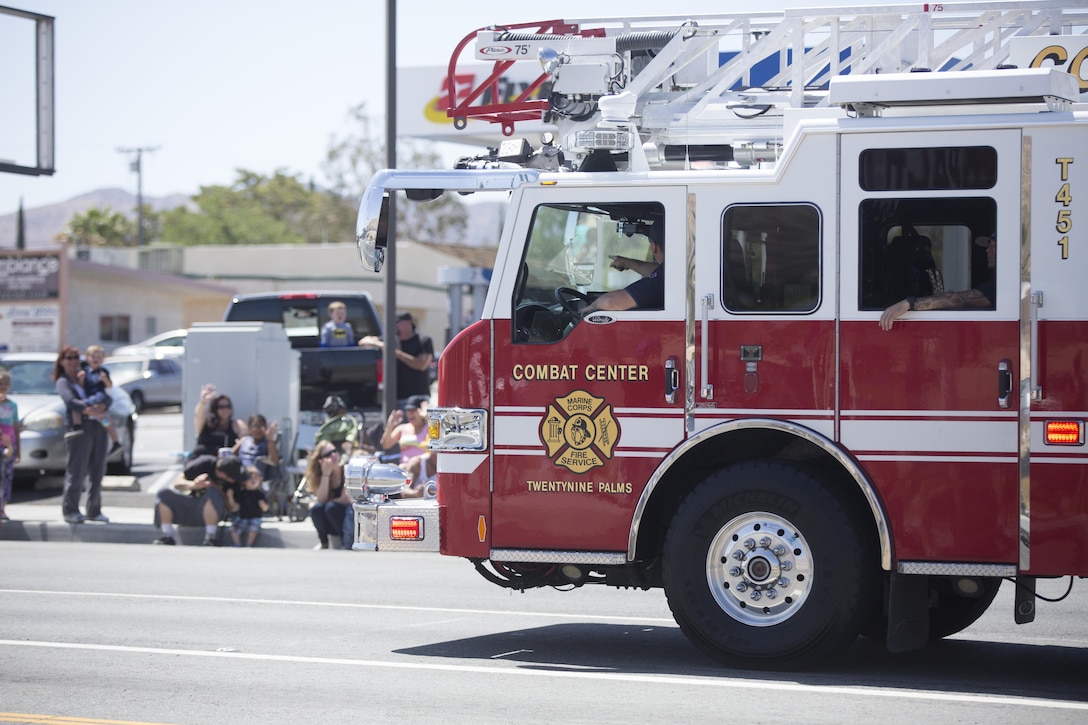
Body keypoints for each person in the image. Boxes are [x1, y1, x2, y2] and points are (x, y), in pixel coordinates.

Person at [879, 233, 996, 330]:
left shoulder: (999, 288)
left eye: (995, 246)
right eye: (989, 245)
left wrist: (908, 303)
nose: (988, 250)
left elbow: (962, 299)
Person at [54, 346, 111, 525]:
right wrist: (90, 411)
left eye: (75, 358)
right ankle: (70, 510)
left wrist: (102, 406)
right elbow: (71, 402)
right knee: (76, 472)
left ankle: (94, 510)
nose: (72, 361)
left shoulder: (86, 376)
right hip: (79, 430)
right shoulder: (63, 381)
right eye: (68, 358)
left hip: (99, 427)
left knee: (97, 471)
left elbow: (107, 396)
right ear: (62, 362)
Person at [153, 454, 248, 546]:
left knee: (213, 492)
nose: (236, 480)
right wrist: (194, 485)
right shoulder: (205, 462)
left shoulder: (234, 483)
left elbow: (232, 508)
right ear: (223, 474)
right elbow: (177, 483)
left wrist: (216, 489)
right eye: (234, 477)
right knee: (164, 493)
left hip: (213, 512)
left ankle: (211, 537)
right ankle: (167, 535)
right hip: (188, 506)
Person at [582, 224, 665, 313]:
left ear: (654, 247)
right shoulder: (671, 271)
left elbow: (610, 302)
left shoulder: (665, 277)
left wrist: (591, 308)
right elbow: (656, 270)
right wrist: (628, 263)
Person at [359, 311, 434, 405]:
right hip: (395, 398)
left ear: (409, 322)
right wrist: (382, 345)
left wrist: (394, 352)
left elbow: (421, 365)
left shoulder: (423, 340)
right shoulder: (391, 340)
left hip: (417, 397)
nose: (394, 325)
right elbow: (363, 341)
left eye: (397, 322)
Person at [379, 394, 435, 496]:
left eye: (414, 410)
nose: (410, 414)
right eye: (408, 410)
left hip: (424, 469)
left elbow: (436, 439)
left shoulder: (429, 427)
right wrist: (390, 426)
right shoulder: (402, 428)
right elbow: (386, 445)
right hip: (405, 470)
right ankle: (412, 494)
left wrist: (427, 417)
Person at [304, 440, 354, 550]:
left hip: (344, 515)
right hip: (331, 517)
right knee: (316, 508)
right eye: (328, 454)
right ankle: (324, 542)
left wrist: (328, 501)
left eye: (334, 451)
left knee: (331, 507)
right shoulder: (320, 476)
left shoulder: (346, 470)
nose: (333, 455)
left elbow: (345, 498)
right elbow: (321, 500)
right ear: (321, 460)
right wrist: (326, 474)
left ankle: (344, 540)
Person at [73, 345, 122, 454]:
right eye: (93, 356)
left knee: (101, 415)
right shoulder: (85, 371)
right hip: (90, 397)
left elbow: (109, 386)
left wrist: (104, 379)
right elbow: (82, 387)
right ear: (87, 358)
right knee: (79, 407)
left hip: (99, 396)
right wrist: (81, 379)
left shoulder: (102, 371)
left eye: (98, 357)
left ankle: (115, 440)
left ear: (103, 359)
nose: (96, 359)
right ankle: (77, 427)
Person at [191, 383, 248, 458]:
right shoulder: (207, 423)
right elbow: (198, 416)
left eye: (228, 406)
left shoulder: (237, 424)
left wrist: (232, 452)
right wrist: (203, 401)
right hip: (201, 458)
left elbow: (245, 440)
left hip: (221, 463)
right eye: (221, 407)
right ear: (215, 409)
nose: (225, 409)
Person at [0, 368, 20, 523]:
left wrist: (17, 448)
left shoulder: (12, 405)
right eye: (0, 383)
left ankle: (3, 507)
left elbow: (15, 427)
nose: (3, 386)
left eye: (6, 383)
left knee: (7, 477)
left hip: (9, 446)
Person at [231, 465, 269, 547]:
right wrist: (230, 496)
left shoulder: (259, 494)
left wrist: (262, 504)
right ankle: (236, 544)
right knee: (234, 529)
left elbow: (265, 508)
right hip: (242, 517)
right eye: (250, 478)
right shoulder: (241, 493)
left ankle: (249, 544)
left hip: (255, 517)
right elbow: (235, 506)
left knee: (253, 529)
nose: (253, 480)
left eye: (255, 478)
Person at [232, 413, 279, 480]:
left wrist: (270, 439)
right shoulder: (244, 440)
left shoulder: (268, 443)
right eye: (255, 426)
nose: (258, 429)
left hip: (255, 476)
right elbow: (230, 454)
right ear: (249, 428)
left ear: (265, 428)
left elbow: (273, 462)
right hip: (240, 472)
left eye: (261, 426)